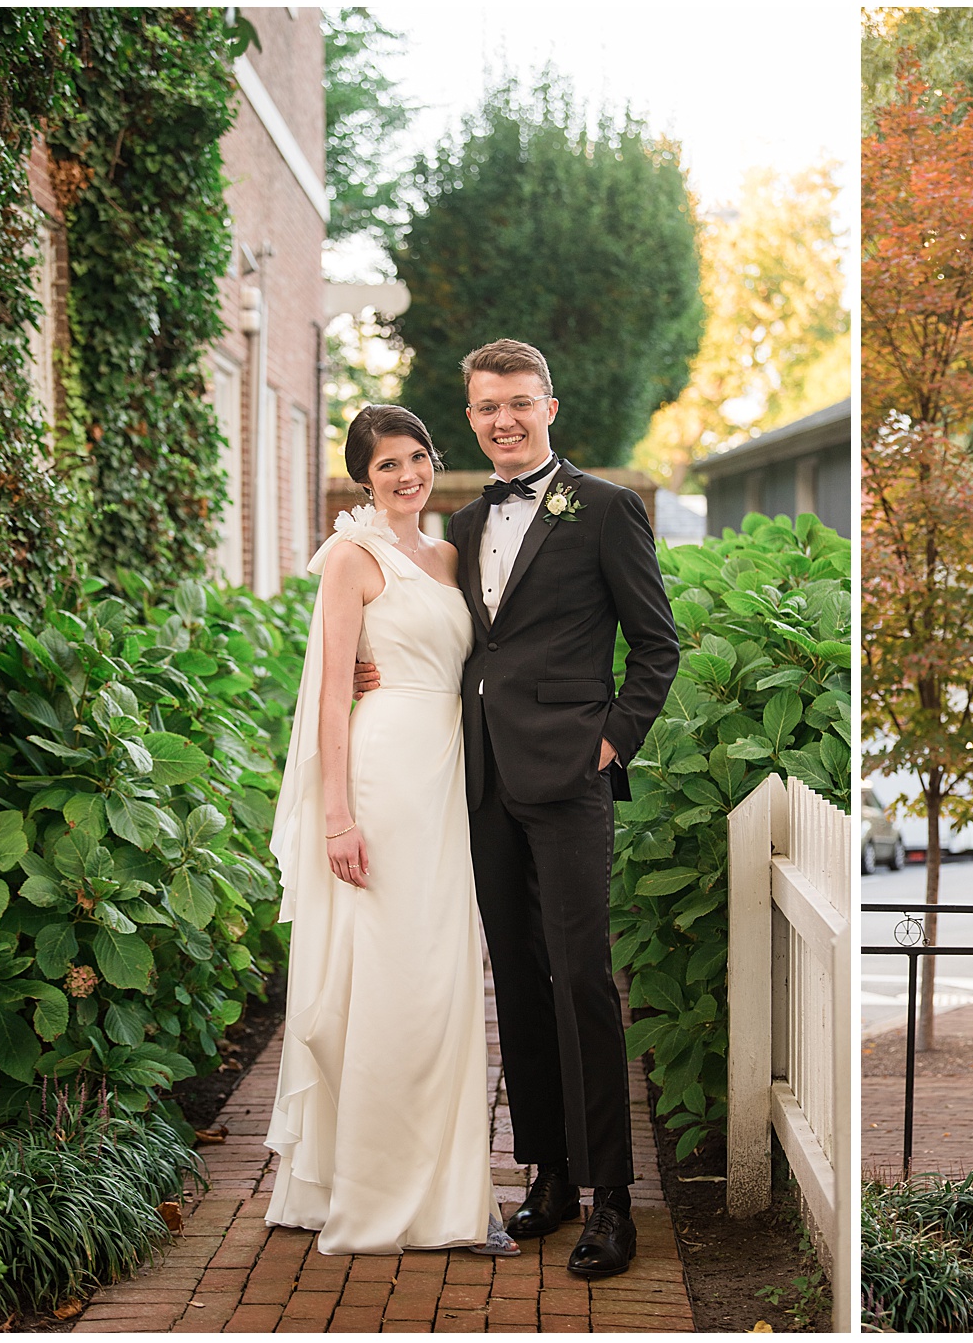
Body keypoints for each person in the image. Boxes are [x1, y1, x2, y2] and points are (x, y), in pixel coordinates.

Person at [357, 339, 678, 1277]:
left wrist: (611, 743)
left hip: (571, 781)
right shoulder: (458, 525)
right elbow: (439, 631)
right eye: (488, 407)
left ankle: (612, 1200)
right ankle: (548, 1177)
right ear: (471, 417)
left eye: (520, 403)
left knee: (583, 982)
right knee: (517, 984)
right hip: (481, 781)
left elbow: (657, 645)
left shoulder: (609, 510)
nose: (504, 420)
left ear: (549, 406)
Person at [264, 405, 515, 1256]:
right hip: (381, 779)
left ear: (432, 463)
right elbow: (335, 692)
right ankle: (383, 1193)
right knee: (393, 984)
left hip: (448, 778)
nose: (406, 477)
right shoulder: (350, 558)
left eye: (417, 459)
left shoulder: (448, 556)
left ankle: (449, 1190)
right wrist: (337, 816)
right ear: (362, 481)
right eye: (386, 468)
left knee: (446, 983)